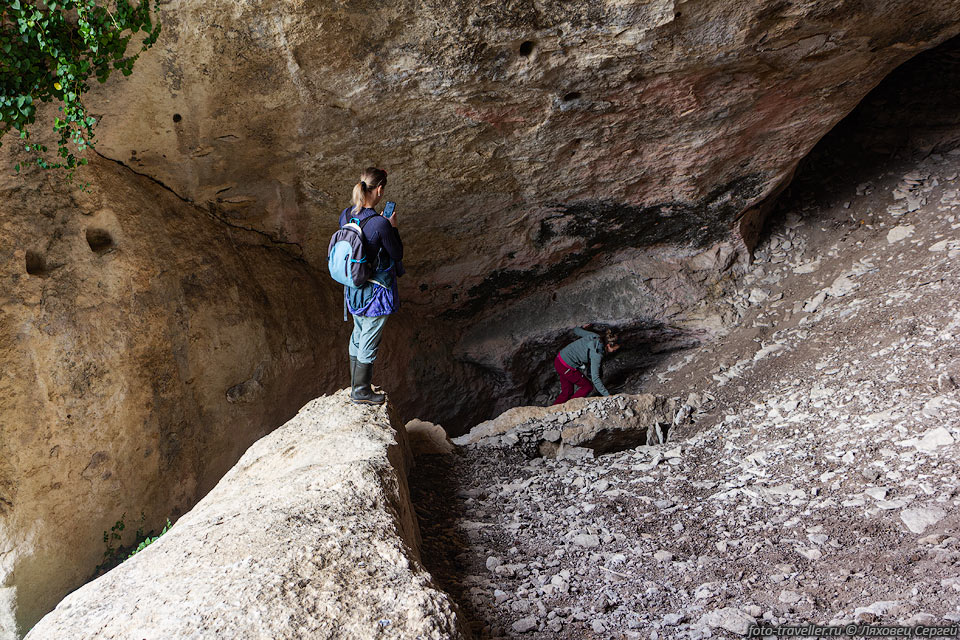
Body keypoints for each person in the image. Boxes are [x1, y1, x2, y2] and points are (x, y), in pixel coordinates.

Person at [339, 167, 403, 405]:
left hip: (353, 287)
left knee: (358, 333)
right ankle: (362, 391)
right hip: (376, 291)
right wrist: (393, 226)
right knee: (369, 338)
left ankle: (356, 385)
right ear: (379, 190)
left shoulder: (346, 215)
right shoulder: (380, 224)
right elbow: (396, 253)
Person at [552, 325, 620, 405]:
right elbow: (595, 378)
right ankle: (570, 407)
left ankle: (552, 411)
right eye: (614, 349)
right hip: (566, 367)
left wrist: (584, 328)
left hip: (559, 359)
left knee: (567, 392)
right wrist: (607, 395)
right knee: (587, 386)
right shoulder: (597, 354)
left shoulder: (595, 336)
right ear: (608, 345)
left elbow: (576, 330)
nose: (613, 351)